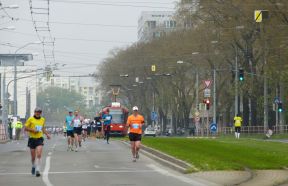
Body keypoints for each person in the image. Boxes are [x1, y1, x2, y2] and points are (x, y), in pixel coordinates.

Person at [24, 107, 51, 177]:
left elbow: (42, 128)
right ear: (34, 112)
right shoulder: (30, 119)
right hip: (32, 139)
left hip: (39, 138)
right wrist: (33, 130)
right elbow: (25, 128)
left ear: (40, 113)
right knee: (33, 157)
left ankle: (38, 170)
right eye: (36, 112)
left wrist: (47, 134)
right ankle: (33, 166)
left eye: (39, 112)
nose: (38, 113)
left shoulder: (42, 119)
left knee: (39, 154)